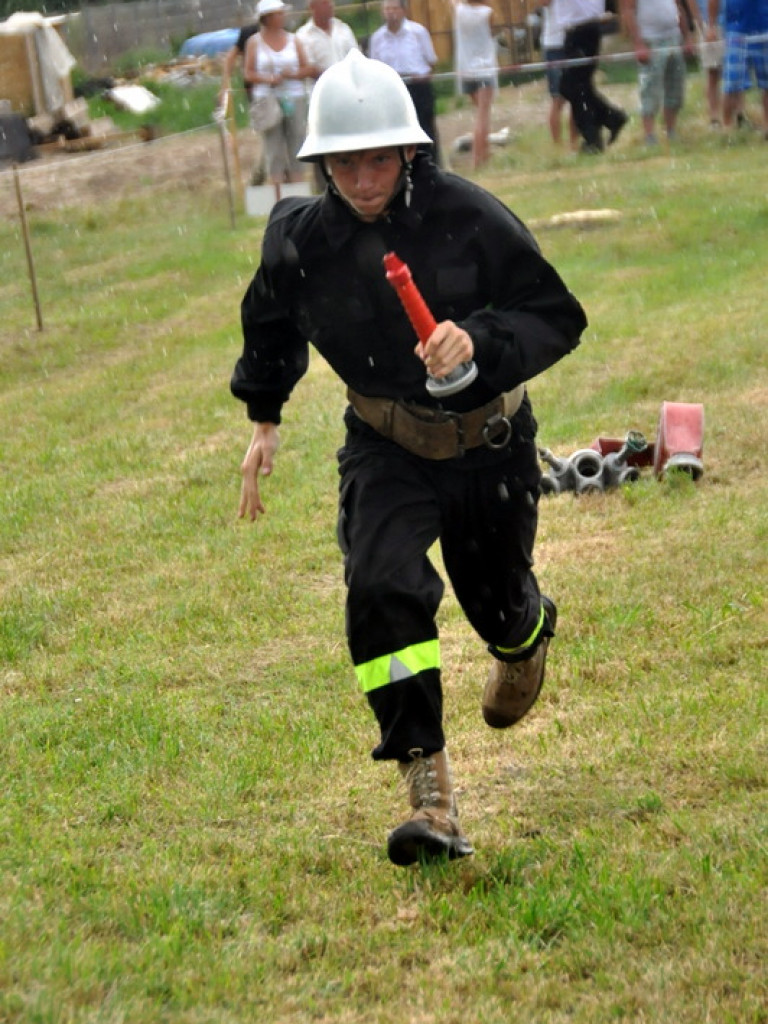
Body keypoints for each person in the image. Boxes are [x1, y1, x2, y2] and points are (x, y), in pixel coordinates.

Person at [230, 51, 588, 867]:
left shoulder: (469, 215)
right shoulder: (299, 240)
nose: (363, 180)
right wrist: (264, 416)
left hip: (487, 447)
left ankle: (523, 634)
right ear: (321, 163)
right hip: (384, 445)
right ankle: (430, 792)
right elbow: (269, 319)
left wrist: (481, 345)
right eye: (345, 163)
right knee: (380, 585)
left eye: (379, 159)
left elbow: (556, 314)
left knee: (497, 605)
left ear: (410, 152)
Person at [542, 0, 628, 152]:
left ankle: (599, 131)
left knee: (573, 87)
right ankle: (604, 125)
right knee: (580, 86)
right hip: (585, 28)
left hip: (579, 30)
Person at [244, 0, 314, 185]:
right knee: (273, 147)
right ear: (267, 18)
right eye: (279, 14)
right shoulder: (254, 43)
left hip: (294, 96)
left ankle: (298, 187)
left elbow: (306, 67)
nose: (283, 17)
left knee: (297, 143)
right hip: (267, 100)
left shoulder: (293, 40)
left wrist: (292, 74)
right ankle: (277, 189)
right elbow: (248, 73)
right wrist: (268, 79)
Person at [369, 0, 443, 165]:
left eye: (394, 8)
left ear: (404, 10)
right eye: (387, 9)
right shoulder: (377, 38)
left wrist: (422, 76)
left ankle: (430, 163)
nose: (391, 12)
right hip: (392, 89)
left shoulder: (418, 32)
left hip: (418, 85)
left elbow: (431, 60)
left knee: (425, 127)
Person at [296, 0, 358, 190]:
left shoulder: (343, 29)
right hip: (321, 98)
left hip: (349, 95)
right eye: (324, 3)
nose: (330, 6)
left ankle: (353, 180)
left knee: (352, 137)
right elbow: (308, 67)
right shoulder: (303, 36)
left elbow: (356, 56)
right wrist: (334, 76)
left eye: (330, 3)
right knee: (324, 140)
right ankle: (325, 186)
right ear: (312, 7)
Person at [621, 0, 695, 145]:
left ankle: (671, 131)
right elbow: (628, 10)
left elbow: (678, 6)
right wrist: (638, 43)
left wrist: (687, 37)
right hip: (651, 41)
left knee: (675, 87)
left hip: (674, 37)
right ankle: (649, 135)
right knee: (650, 89)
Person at [446, 0, 498, 168]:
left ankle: (485, 153)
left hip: (465, 69)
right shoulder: (488, 13)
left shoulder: (458, 10)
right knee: (483, 116)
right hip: (485, 68)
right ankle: (478, 159)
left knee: (479, 114)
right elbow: (494, 33)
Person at [218, 13, 267, 185]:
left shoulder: (282, 31)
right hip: (257, 94)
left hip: (279, 93)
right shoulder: (250, 33)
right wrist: (225, 85)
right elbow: (231, 57)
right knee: (267, 137)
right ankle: (259, 178)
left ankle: (267, 176)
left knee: (274, 138)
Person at [708, 0, 768, 135]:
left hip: (765, 28)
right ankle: (728, 130)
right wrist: (712, 26)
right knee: (732, 84)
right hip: (736, 31)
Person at [541, 0, 579, 147]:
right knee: (558, 98)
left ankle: (574, 144)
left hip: (573, 42)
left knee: (576, 98)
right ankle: (557, 145)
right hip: (554, 45)